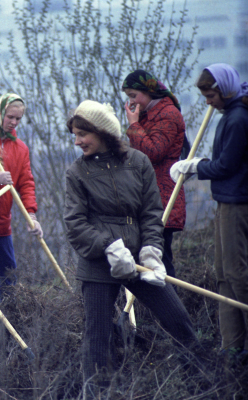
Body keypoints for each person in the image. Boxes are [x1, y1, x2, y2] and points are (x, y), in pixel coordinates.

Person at [64, 101, 202, 395]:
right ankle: (98, 394)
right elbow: (75, 224)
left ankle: (199, 385)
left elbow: (152, 212)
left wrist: (152, 250)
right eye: (74, 135)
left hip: (141, 260)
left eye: (81, 134)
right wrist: (109, 247)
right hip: (99, 263)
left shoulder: (138, 162)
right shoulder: (76, 172)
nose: (77, 142)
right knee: (97, 340)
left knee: (179, 322)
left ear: (101, 131)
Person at [171, 63, 248, 363]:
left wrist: (196, 166)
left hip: (237, 203)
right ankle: (232, 343)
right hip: (225, 201)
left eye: (210, 95)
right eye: (204, 96)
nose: (207, 102)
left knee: (237, 273)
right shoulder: (229, 115)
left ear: (225, 89)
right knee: (223, 275)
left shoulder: (238, 119)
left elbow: (226, 166)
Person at [0, 93, 42, 298]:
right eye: (10, 117)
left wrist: (31, 215)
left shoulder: (20, 148)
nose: (13, 122)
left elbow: (27, 184)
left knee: (9, 278)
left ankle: (10, 320)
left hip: (2, 224)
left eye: (18, 119)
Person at [123, 69, 187, 277]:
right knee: (147, 260)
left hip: (163, 197)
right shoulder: (149, 114)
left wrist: (133, 124)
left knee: (161, 260)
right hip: (149, 196)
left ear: (148, 90)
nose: (132, 101)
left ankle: (171, 308)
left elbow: (153, 151)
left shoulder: (167, 114)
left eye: (134, 95)